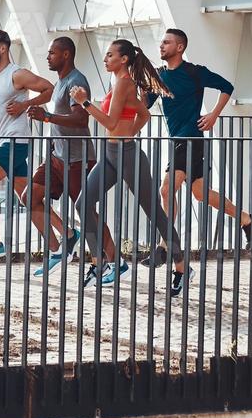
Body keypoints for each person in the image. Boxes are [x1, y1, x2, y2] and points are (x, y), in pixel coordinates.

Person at [70, 39, 188, 295]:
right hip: (112, 154)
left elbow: (111, 122)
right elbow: (143, 114)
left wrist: (85, 103)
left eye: (110, 55)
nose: (105, 59)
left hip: (129, 156)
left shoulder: (125, 82)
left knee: (155, 213)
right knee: (83, 203)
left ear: (123, 59)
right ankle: (100, 263)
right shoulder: (119, 83)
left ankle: (181, 266)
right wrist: (129, 134)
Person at [143, 28, 252, 267]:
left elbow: (227, 86)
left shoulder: (195, 72)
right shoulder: (159, 76)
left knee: (166, 190)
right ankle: (247, 219)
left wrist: (214, 115)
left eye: (166, 42)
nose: (161, 46)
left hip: (190, 139)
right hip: (179, 141)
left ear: (180, 47)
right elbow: (144, 105)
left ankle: (166, 245)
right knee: (201, 194)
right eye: (161, 43)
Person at [22, 36, 104, 277]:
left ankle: (108, 260)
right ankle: (64, 242)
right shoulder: (59, 82)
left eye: (52, 53)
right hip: (57, 156)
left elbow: (81, 119)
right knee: (30, 198)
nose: (48, 57)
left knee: (86, 211)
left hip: (78, 159)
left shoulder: (77, 81)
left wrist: (46, 117)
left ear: (66, 54)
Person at [0, 27, 53, 259]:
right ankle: (66, 235)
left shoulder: (18, 75)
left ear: (3, 48)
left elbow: (49, 89)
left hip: (16, 142)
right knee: (28, 197)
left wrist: (25, 106)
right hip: (4, 142)